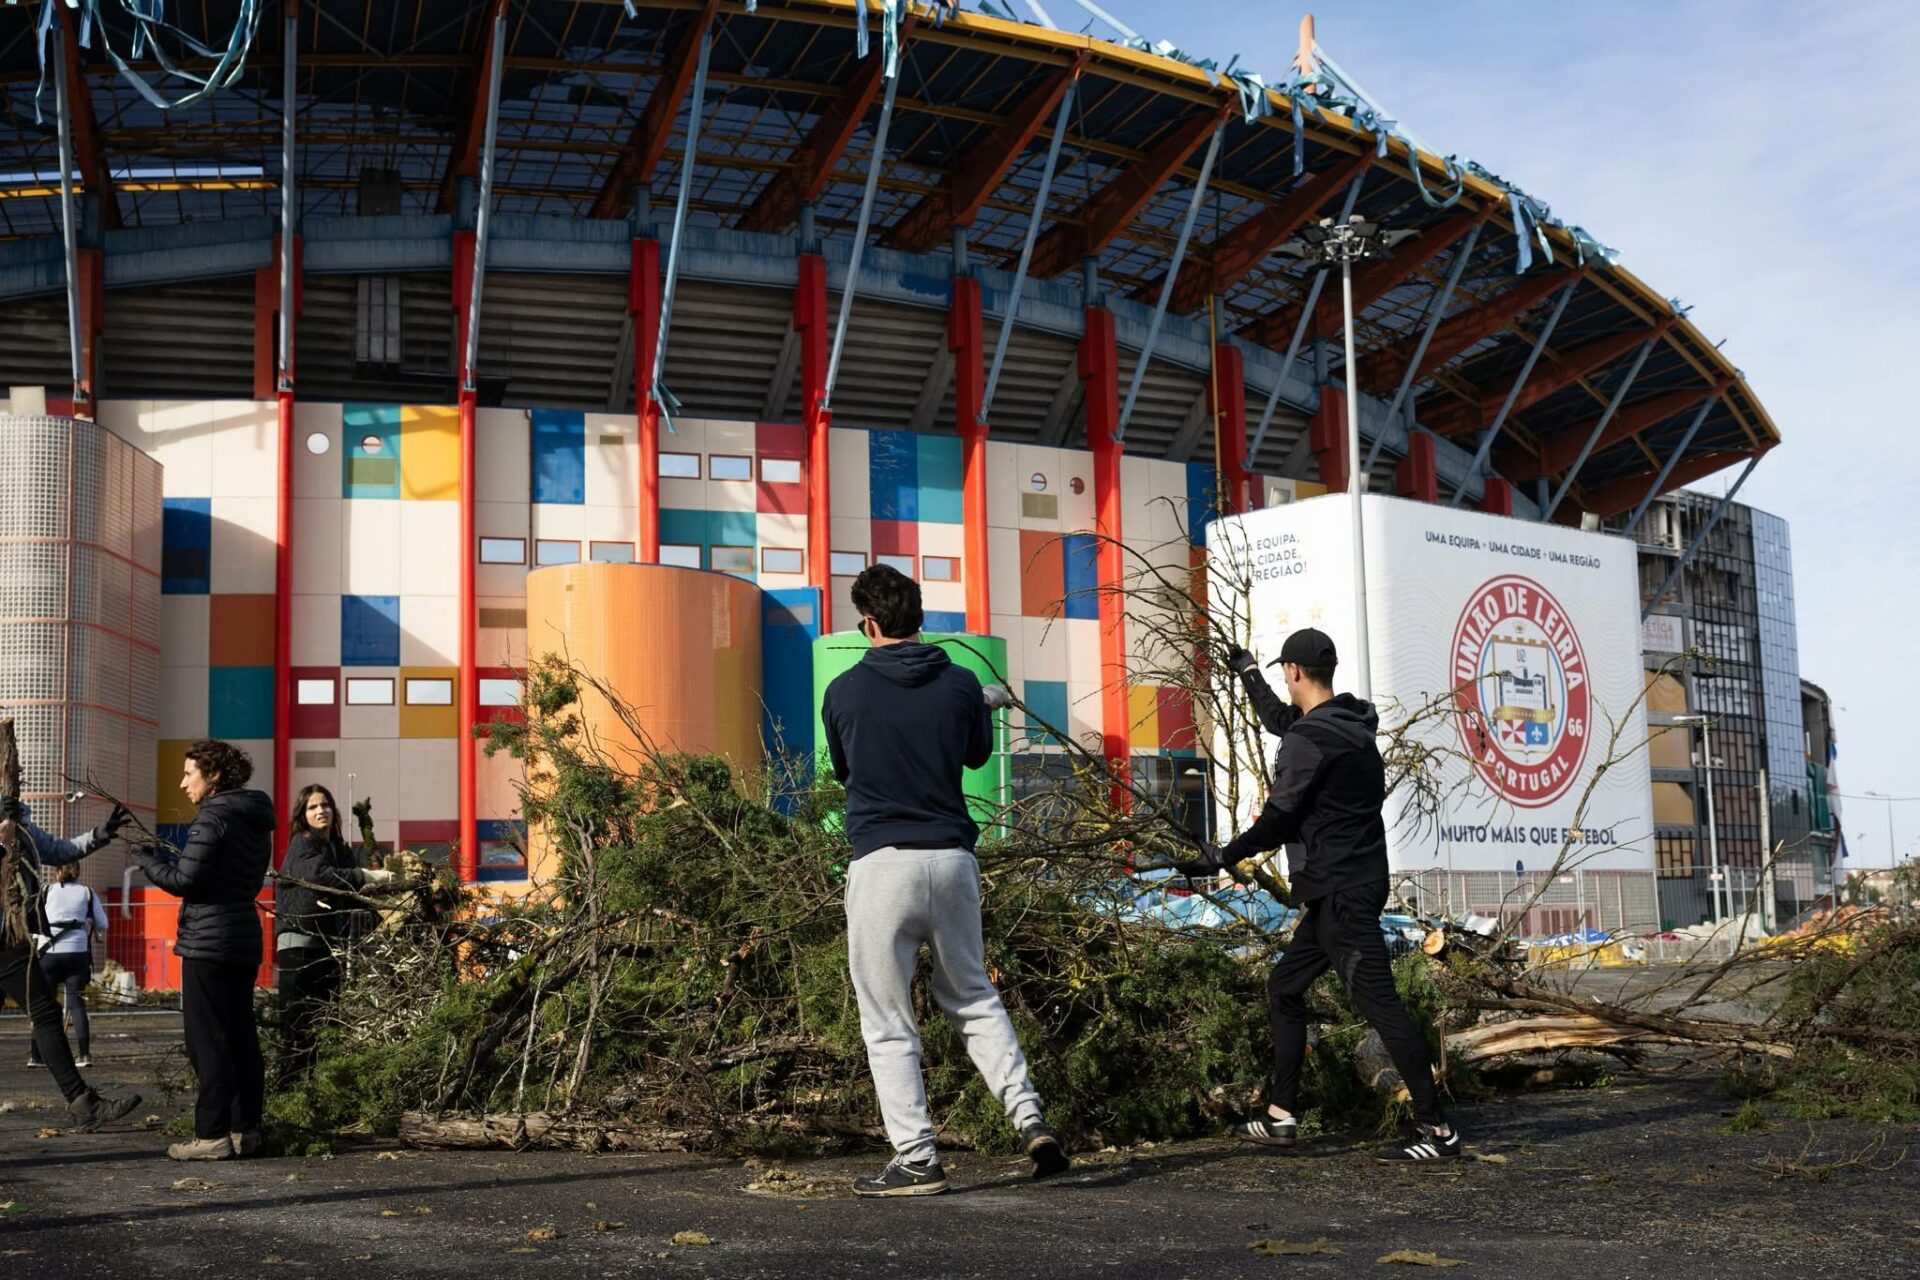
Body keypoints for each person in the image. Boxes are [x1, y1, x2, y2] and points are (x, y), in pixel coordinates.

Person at [820, 564, 1069, 1197]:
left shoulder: (844, 692)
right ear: (920, 618)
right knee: (974, 995)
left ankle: (917, 1158)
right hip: (953, 862)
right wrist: (980, 700)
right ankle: (1029, 1116)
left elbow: (846, 770)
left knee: (888, 1018)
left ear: (869, 623)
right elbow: (977, 755)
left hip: (881, 865)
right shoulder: (961, 682)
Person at [1179, 628, 1462, 1163]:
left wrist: (1223, 855)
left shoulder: (1310, 740)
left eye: (1281, 673)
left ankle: (1438, 1131)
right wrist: (1246, 674)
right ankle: (1283, 1117)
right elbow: (1280, 721)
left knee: (1383, 1007)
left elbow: (1280, 815)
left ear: (1294, 672)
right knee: (1284, 987)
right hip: (1348, 886)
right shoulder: (1349, 726)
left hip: (1340, 894)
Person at [137, 740, 275, 1161]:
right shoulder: (254, 816)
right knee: (240, 1036)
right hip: (243, 938)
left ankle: (212, 1134)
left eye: (188, 774)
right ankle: (245, 1129)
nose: (182, 784)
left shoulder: (213, 817)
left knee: (207, 1041)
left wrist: (149, 862)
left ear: (213, 776)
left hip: (208, 942)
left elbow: (187, 882)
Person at [0, 795, 142, 1128]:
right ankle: (84, 1104)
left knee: (46, 1015)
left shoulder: (21, 825)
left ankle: (84, 1103)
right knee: (47, 1016)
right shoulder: (8, 830)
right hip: (5, 943)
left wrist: (99, 834)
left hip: (9, 939)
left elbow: (59, 851)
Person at [275, 784, 396, 1084]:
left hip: (327, 947)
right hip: (299, 946)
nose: (321, 811)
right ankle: (288, 1095)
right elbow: (320, 877)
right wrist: (367, 875)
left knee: (328, 1024)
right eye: (313, 807)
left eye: (325, 804)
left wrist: (388, 903)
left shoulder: (337, 849)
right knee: (297, 1028)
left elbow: (352, 889)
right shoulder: (302, 844)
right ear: (302, 815)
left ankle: (320, 1094)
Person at [36, 862, 109, 1068]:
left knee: (43, 1005)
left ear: (57, 872)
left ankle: (37, 1056)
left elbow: (35, 920)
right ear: (77, 873)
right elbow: (103, 924)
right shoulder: (87, 892)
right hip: (76, 952)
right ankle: (84, 1055)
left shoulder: (46, 890)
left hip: (47, 952)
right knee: (76, 1004)